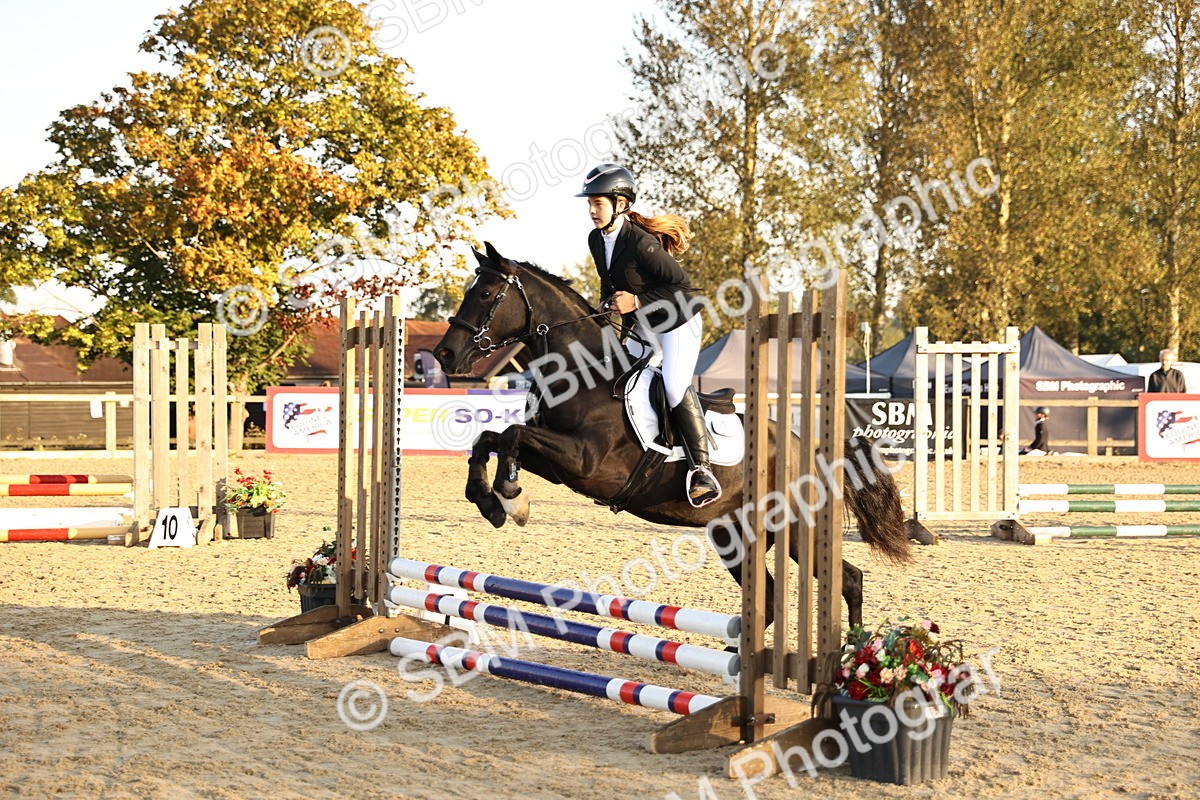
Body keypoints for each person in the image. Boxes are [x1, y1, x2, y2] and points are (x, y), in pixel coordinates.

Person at [576, 163, 720, 507]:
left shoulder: (641, 243)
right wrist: (606, 302)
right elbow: (610, 281)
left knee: (671, 384)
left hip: (676, 324)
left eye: (599, 204)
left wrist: (637, 299)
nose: (593, 211)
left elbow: (683, 289)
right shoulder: (597, 239)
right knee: (618, 379)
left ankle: (702, 469)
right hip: (643, 325)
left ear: (621, 204)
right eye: (590, 204)